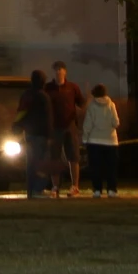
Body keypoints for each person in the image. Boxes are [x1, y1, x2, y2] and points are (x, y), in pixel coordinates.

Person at [44, 63, 84, 197]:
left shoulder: (72, 88)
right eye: (55, 70)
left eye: (60, 70)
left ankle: (75, 186)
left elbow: (81, 103)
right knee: (54, 157)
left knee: (73, 157)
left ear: (65, 72)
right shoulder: (48, 88)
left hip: (70, 126)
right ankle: (55, 187)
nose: (58, 72)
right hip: (54, 128)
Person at [15, 72, 51, 199]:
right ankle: (38, 189)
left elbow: (21, 112)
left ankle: (31, 190)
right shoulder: (43, 96)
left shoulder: (26, 95)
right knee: (41, 162)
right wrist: (49, 135)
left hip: (29, 133)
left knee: (30, 162)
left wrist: (18, 126)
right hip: (41, 134)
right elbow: (47, 118)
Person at [82, 84, 121, 198]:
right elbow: (116, 122)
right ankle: (111, 190)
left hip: (94, 141)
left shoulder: (92, 106)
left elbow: (87, 124)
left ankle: (97, 190)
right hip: (111, 141)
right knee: (111, 167)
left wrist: (85, 138)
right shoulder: (111, 105)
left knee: (95, 167)